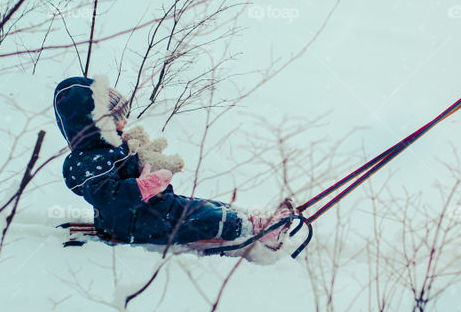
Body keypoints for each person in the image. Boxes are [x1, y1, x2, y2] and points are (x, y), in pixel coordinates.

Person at [53, 75, 293, 261]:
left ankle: (250, 218)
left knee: (202, 205)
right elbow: (106, 195)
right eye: (116, 119)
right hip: (133, 223)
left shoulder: (106, 148)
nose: (124, 123)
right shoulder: (85, 161)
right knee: (201, 218)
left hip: (150, 208)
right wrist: (142, 186)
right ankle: (260, 231)